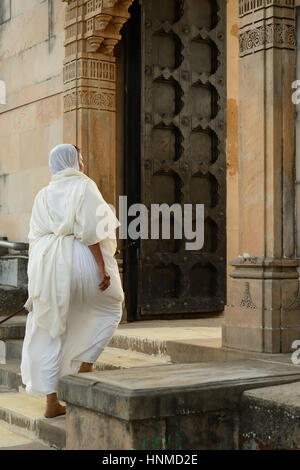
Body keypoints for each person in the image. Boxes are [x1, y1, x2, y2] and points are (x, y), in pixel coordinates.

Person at [20, 144, 124, 418]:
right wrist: (102, 267)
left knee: (52, 329)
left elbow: (35, 238)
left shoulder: (42, 195)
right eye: (81, 158)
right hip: (82, 263)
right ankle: (85, 367)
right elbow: (92, 230)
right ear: (73, 162)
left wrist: (36, 283)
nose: (83, 163)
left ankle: (51, 402)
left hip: (49, 267)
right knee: (111, 308)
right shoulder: (84, 186)